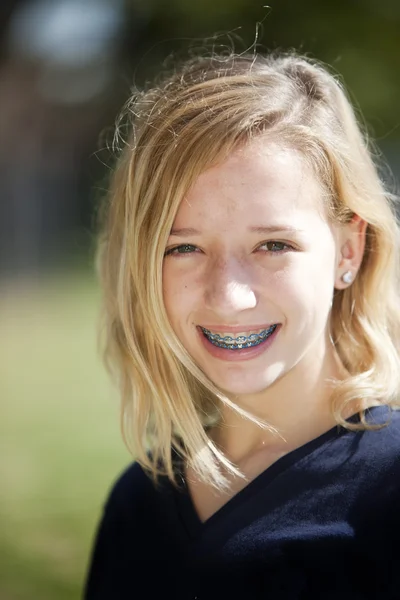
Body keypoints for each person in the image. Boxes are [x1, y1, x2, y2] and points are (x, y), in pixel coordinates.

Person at [84, 49, 400, 599]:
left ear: (348, 252)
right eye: (183, 248)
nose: (228, 296)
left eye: (273, 244)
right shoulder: (138, 502)